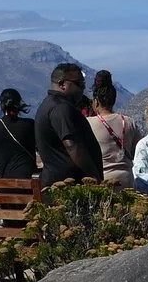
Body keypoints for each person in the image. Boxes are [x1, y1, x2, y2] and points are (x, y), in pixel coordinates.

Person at [34, 62, 102, 191]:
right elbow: (72, 146)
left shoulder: (50, 105)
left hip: (61, 183)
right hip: (67, 188)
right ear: (62, 84)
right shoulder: (60, 108)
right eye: (79, 84)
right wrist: (94, 176)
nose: (82, 89)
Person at [85, 70, 143, 187]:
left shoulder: (88, 123)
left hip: (103, 180)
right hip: (127, 179)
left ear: (96, 102)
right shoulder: (128, 122)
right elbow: (136, 151)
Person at [0, 88, 39, 180]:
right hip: (27, 181)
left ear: (0, 104)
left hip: (4, 183)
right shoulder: (30, 125)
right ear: (19, 104)